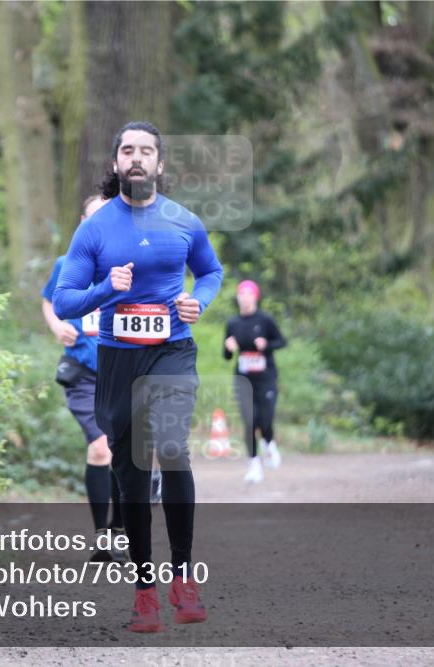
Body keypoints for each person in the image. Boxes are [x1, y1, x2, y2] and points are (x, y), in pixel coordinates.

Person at [53, 121, 222, 633]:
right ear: (115, 163)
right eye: (127, 149)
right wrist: (107, 288)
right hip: (117, 359)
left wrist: (200, 302)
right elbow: (64, 301)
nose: (137, 158)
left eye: (146, 150)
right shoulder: (95, 228)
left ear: (160, 164)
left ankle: (184, 577)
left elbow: (211, 272)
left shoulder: (184, 221)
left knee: (171, 447)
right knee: (129, 469)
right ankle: (145, 589)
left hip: (171, 350)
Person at [41, 194, 126, 562]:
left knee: (124, 454)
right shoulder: (67, 263)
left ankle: (121, 529)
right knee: (100, 447)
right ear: (82, 222)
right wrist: (58, 326)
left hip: (121, 371)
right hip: (82, 375)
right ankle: (101, 537)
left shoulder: (126, 266)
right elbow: (48, 301)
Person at [223, 279, 286, 483]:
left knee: (264, 419)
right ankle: (254, 466)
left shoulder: (265, 320)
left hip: (266, 378)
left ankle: (269, 444)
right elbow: (226, 355)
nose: (245, 298)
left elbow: (282, 341)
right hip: (243, 379)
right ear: (238, 298)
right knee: (249, 422)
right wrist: (228, 347)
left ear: (255, 297)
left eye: (249, 294)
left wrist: (266, 344)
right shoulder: (233, 323)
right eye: (241, 295)